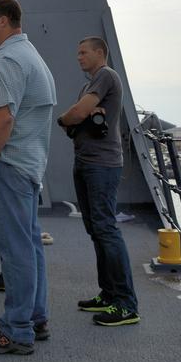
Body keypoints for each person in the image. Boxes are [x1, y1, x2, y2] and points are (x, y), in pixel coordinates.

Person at [0, 0, 55, 356]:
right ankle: (35, 317)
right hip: (27, 166)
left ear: (3, 20)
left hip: (8, 166)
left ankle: (15, 330)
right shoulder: (32, 56)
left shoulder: (6, 60)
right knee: (29, 245)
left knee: (15, 249)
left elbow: (4, 117)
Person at [57, 36, 139, 327]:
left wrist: (65, 118)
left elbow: (76, 114)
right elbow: (80, 116)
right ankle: (109, 294)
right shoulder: (89, 85)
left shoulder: (106, 75)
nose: (78, 57)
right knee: (96, 229)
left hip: (101, 165)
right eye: (77, 52)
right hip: (86, 161)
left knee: (105, 229)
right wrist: (75, 117)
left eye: (83, 52)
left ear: (99, 53)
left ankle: (126, 304)